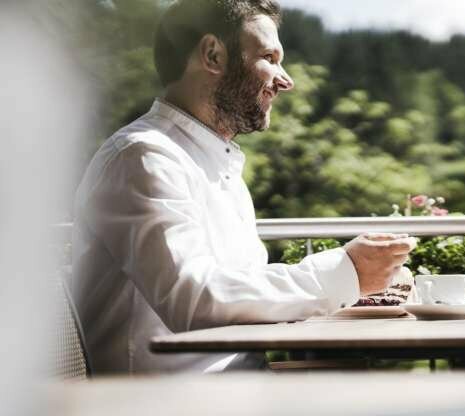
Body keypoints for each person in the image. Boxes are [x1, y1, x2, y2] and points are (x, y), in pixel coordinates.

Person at [71, 0, 416, 374]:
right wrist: (344, 273)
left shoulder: (214, 163)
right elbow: (196, 298)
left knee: (369, 382)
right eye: (269, 56)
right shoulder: (143, 157)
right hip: (173, 401)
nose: (285, 81)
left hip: (236, 385)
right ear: (213, 55)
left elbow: (235, 295)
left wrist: (356, 289)